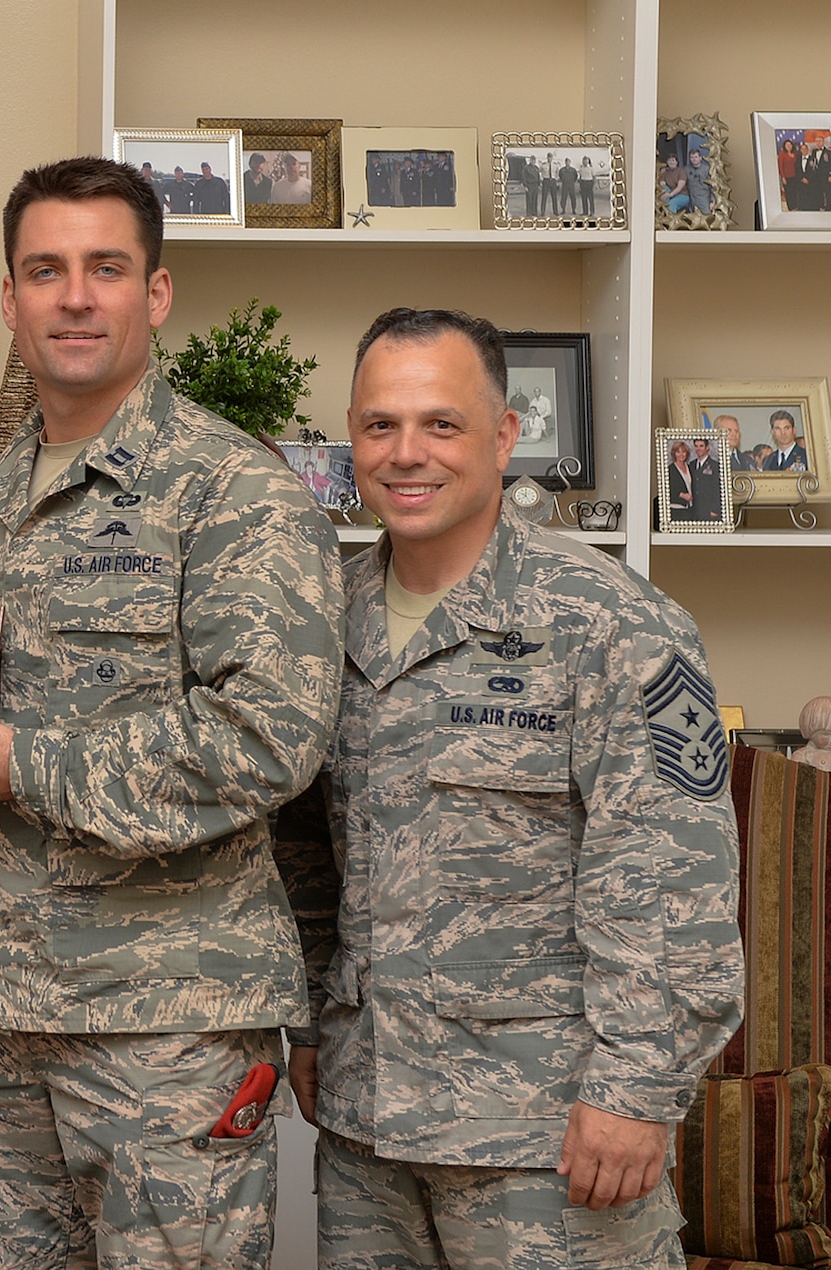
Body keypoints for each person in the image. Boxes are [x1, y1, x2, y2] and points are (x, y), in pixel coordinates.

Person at [0, 155, 343, 1268]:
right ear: (8, 299)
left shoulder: (233, 490)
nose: (72, 296)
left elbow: (267, 739)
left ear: (153, 294)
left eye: (104, 268)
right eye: (44, 270)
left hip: (167, 1023)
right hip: (0, 1020)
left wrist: (16, 761)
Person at [288, 308, 744, 1269]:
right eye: (380, 425)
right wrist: (308, 1028)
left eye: (441, 424)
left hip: (549, 1137)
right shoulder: (323, 621)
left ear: (506, 434)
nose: (407, 454)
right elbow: (307, 856)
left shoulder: (614, 625)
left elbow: (673, 884)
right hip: (368, 1131)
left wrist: (634, 1093)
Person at [690, 435, 723, 520]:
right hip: (695, 508)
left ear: (707, 447)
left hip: (709, 509)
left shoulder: (715, 465)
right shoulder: (692, 465)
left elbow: (717, 488)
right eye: (696, 446)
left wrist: (715, 509)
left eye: (701, 446)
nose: (698, 449)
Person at [665, 437, 695, 521]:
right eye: (678, 452)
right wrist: (682, 495)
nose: (681, 454)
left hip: (690, 508)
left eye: (683, 452)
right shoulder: (670, 469)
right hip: (676, 509)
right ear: (674, 453)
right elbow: (667, 490)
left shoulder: (690, 468)